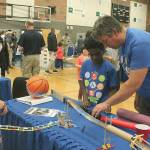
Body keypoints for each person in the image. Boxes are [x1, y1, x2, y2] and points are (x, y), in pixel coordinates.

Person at [92, 15, 150, 117]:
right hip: (145, 97)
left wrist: (106, 103)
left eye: (105, 41)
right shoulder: (122, 44)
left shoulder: (139, 43)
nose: (105, 46)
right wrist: (139, 94)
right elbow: (137, 75)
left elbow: (133, 83)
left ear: (114, 31)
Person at [80, 36, 118, 113]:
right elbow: (81, 81)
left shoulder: (110, 68)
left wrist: (108, 104)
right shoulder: (85, 64)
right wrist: (85, 96)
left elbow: (114, 88)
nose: (94, 57)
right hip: (88, 105)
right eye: (91, 55)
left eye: (97, 54)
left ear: (103, 51)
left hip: (101, 108)